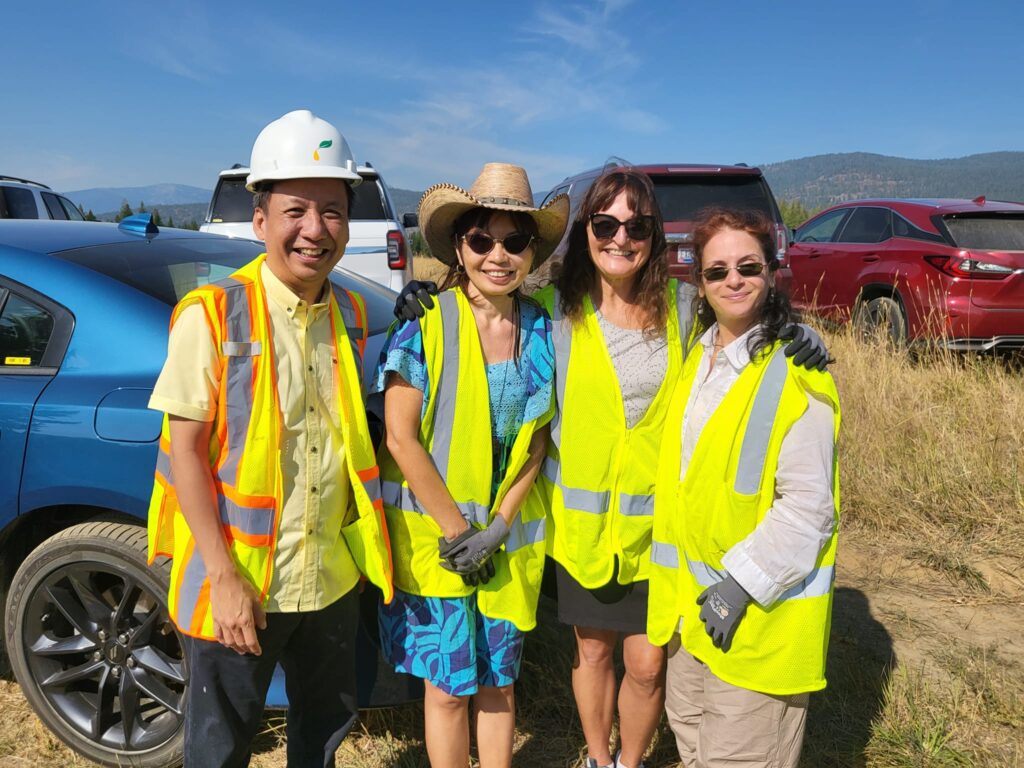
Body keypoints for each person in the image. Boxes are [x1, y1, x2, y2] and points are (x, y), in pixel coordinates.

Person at [395, 168, 829, 768]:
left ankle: (630, 761)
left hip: (660, 536)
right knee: (593, 657)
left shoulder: (683, 309)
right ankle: (599, 758)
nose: (620, 238)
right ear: (586, 232)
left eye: (636, 225)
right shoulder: (552, 309)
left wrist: (797, 331)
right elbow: (486, 312)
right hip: (583, 537)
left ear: (654, 236)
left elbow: (744, 321)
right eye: (604, 224)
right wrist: (419, 298)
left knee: (648, 665)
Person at [146, 109, 393, 768]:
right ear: (260, 221)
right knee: (221, 743)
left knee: (323, 735)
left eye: (333, 211)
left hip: (331, 580)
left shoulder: (350, 312)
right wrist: (223, 578)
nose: (315, 230)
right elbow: (185, 452)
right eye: (295, 211)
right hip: (245, 585)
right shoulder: (212, 314)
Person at [373, 163, 567, 768]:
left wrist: (502, 524)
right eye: (482, 240)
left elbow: (539, 438)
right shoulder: (425, 324)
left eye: (514, 241)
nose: (498, 256)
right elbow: (402, 440)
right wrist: (461, 534)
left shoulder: (543, 328)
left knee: (499, 684)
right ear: (459, 245)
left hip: (504, 547)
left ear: (532, 251)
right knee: (449, 689)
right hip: (441, 545)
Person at [647, 207, 840, 768]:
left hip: (758, 622)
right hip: (695, 619)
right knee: (693, 740)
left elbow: (808, 511)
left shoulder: (799, 372)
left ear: (772, 273)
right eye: (717, 271)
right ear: (699, 286)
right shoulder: (699, 358)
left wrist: (741, 586)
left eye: (748, 267)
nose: (733, 280)